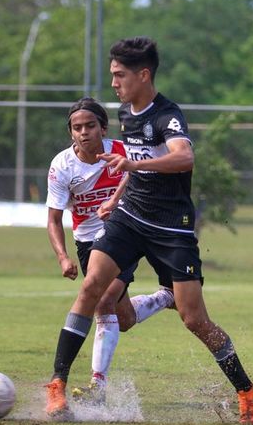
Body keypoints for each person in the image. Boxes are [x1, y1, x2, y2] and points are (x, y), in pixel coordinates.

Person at [45, 37, 253, 424]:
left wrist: (132, 167)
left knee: (194, 319)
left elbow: (183, 156)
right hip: (130, 217)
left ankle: (246, 390)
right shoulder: (125, 112)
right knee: (93, 287)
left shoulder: (167, 116)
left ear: (143, 75)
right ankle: (57, 386)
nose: (114, 83)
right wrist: (119, 191)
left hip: (171, 228)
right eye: (112, 75)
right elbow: (135, 159)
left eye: (120, 75)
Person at [46, 97, 175, 402]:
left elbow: (143, 169)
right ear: (70, 133)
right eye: (76, 128)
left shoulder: (120, 150)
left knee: (103, 300)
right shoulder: (61, 165)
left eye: (90, 126)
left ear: (103, 128)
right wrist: (63, 257)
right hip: (88, 242)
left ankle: (97, 386)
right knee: (123, 317)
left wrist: (116, 199)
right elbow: (53, 218)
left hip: (124, 232)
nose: (83, 132)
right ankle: (165, 298)